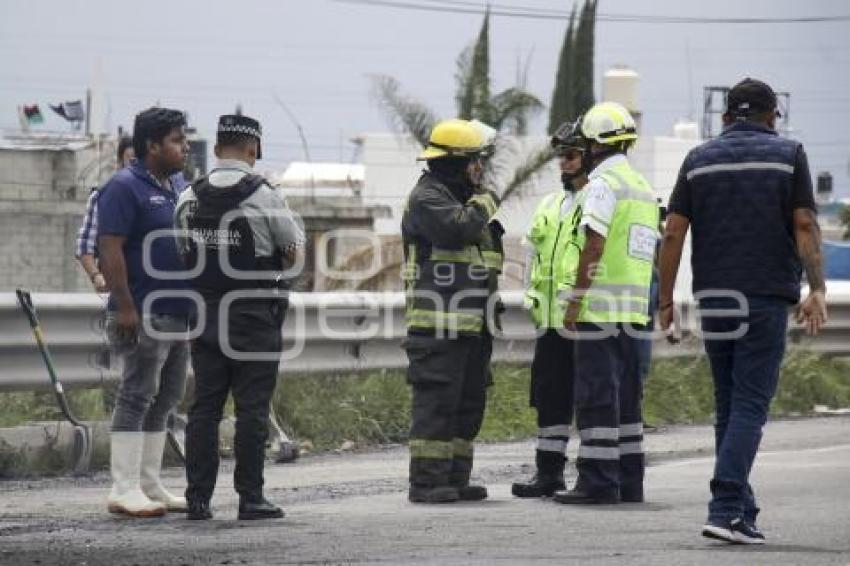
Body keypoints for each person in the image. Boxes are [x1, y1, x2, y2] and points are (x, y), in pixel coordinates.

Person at [658, 78, 827, 544]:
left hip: (716, 298)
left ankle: (740, 512)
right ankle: (726, 505)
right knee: (750, 404)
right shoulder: (788, 154)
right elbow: (806, 222)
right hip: (764, 295)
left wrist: (666, 300)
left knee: (729, 406)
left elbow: (672, 232)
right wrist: (816, 287)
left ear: (727, 117)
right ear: (772, 115)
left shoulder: (697, 160)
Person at [174, 113, 304, 521]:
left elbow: (184, 254)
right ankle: (251, 498)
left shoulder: (187, 197)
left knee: (204, 407)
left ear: (215, 150)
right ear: (254, 150)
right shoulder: (266, 195)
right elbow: (293, 254)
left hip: (206, 312)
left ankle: (197, 499)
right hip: (253, 315)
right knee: (252, 407)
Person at [552, 101, 659, 506]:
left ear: (596, 145)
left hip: (601, 309)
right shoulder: (643, 189)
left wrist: (575, 301)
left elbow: (594, 244)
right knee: (628, 400)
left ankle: (597, 483)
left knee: (597, 396)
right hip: (634, 311)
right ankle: (629, 482)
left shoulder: (602, 185)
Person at [401, 119, 503, 503]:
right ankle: (427, 482)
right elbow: (458, 230)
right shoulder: (427, 198)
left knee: (467, 405)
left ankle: (455, 478)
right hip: (437, 326)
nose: (480, 168)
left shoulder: (460, 199)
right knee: (437, 407)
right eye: (475, 160)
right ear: (455, 162)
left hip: (473, 325)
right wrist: (488, 199)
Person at [97, 107, 192, 517]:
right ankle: (123, 486)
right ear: (151, 145)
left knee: (167, 395)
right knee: (136, 394)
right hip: (142, 310)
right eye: (176, 140)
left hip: (178, 311)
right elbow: (110, 248)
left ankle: (150, 482)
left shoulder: (177, 184)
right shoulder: (123, 186)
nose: (184, 146)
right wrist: (124, 306)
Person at [511, 121, 588, 498]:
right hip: (551, 324)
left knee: (590, 398)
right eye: (561, 156)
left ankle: (592, 475)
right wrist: (531, 301)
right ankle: (549, 474)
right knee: (549, 399)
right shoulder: (551, 204)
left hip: (589, 321)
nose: (564, 163)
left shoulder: (600, 200)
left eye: (572, 155)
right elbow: (532, 258)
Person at [75, 136, 135, 292]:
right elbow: (84, 245)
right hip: (116, 291)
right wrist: (96, 276)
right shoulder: (103, 197)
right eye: (131, 160)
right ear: (120, 163)